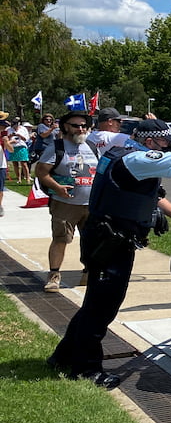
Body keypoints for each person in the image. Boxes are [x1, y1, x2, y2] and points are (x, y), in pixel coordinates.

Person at [47, 120, 171, 389]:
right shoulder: (137, 158)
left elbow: (154, 196)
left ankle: (62, 357)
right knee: (103, 306)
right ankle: (86, 368)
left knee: (96, 302)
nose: (169, 149)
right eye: (166, 144)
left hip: (108, 237)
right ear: (151, 142)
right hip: (111, 240)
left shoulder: (124, 154)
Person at [34, 111, 101, 291]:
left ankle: (89, 273)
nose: (80, 129)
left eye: (84, 126)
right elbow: (41, 172)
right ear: (65, 127)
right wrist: (57, 188)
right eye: (75, 125)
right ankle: (54, 275)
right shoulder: (57, 147)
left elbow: (101, 172)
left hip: (91, 204)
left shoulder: (92, 147)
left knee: (92, 240)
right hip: (65, 204)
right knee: (61, 239)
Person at [8, 116, 30, 182]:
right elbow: (6, 138)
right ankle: (18, 178)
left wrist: (19, 135)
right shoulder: (9, 129)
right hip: (13, 147)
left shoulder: (23, 129)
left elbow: (26, 139)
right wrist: (11, 135)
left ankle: (27, 178)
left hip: (21, 146)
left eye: (16, 124)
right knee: (15, 163)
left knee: (24, 163)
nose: (15, 126)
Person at [0, 119, 11, 216]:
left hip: (1, 165)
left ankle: (0, 205)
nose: (3, 128)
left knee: (0, 188)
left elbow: (11, 150)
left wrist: (7, 143)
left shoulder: (4, 137)